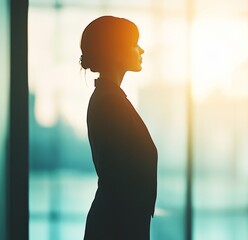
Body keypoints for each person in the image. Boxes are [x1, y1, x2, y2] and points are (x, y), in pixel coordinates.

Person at [80, 16, 157, 240]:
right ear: (115, 50)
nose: (141, 50)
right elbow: (119, 176)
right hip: (118, 224)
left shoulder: (110, 98)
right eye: (134, 44)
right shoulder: (109, 102)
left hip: (118, 219)